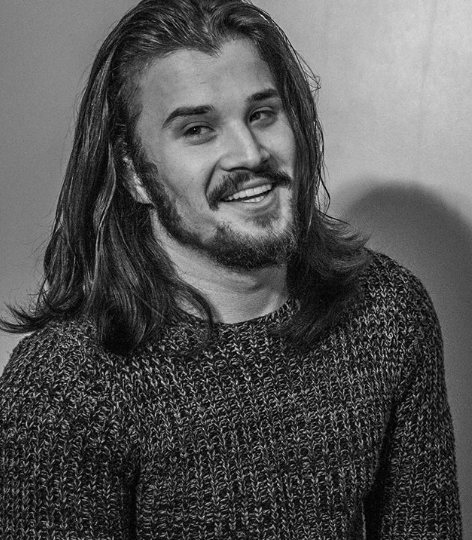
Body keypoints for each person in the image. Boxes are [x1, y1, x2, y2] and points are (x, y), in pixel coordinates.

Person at [0, 0, 462, 538]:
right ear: (135, 174)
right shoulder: (64, 388)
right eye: (198, 129)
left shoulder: (388, 312)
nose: (249, 153)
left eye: (262, 114)